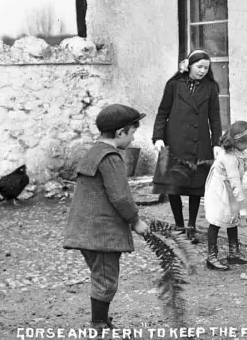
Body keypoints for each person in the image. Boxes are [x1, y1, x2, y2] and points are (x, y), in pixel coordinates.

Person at [63, 104, 150, 332]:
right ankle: (98, 324)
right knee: (105, 279)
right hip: (101, 234)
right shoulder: (111, 158)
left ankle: (101, 319)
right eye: (132, 133)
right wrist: (136, 221)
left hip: (86, 229)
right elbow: (121, 196)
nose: (133, 139)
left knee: (101, 275)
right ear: (120, 132)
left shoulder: (93, 152)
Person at [152, 49, 223, 244]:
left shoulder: (210, 88)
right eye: (199, 67)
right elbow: (162, 112)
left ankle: (191, 226)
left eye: (206, 68)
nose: (202, 71)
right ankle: (178, 225)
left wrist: (216, 143)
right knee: (173, 185)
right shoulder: (174, 85)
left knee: (195, 186)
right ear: (189, 65)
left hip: (199, 142)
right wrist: (158, 137)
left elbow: (215, 119)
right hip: (174, 141)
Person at [203, 120, 247, 269]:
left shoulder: (239, 152)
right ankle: (211, 257)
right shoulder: (229, 158)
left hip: (230, 188)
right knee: (217, 219)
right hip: (220, 190)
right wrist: (242, 208)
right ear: (237, 142)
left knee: (232, 219)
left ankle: (233, 254)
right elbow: (235, 184)